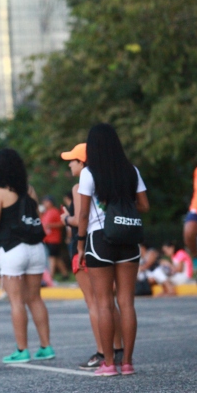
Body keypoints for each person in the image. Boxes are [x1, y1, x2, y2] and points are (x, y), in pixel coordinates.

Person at [76, 124, 149, 376]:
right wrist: (122, 208)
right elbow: (144, 205)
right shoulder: (131, 171)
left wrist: (79, 244)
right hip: (128, 238)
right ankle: (127, 362)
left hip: (100, 240)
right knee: (127, 302)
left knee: (104, 302)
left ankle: (109, 363)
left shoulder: (88, 173)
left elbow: (83, 213)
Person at [0, 149, 55, 364]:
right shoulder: (30, 190)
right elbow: (34, 216)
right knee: (35, 298)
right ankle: (46, 346)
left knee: (16, 301)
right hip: (35, 249)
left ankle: (22, 349)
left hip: (12, 249)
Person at [60, 143, 124, 370]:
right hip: (109, 241)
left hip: (88, 246)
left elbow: (81, 220)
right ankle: (118, 349)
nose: (69, 164)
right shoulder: (106, 181)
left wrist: (65, 219)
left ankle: (101, 351)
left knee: (95, 303)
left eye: (73, 160)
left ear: (83, 162)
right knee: (109, 301)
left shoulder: (80, 187)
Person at [41, 196, 69, 281]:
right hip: (47, 239)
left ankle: (50, 277)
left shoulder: (55, 211)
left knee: (51, 257)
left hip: (54, 238)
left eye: (46, 202)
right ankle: (65, 274)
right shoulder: (46, 212)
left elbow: (62, 223)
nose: (44, 204)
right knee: (56, 257)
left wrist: (51, 225)